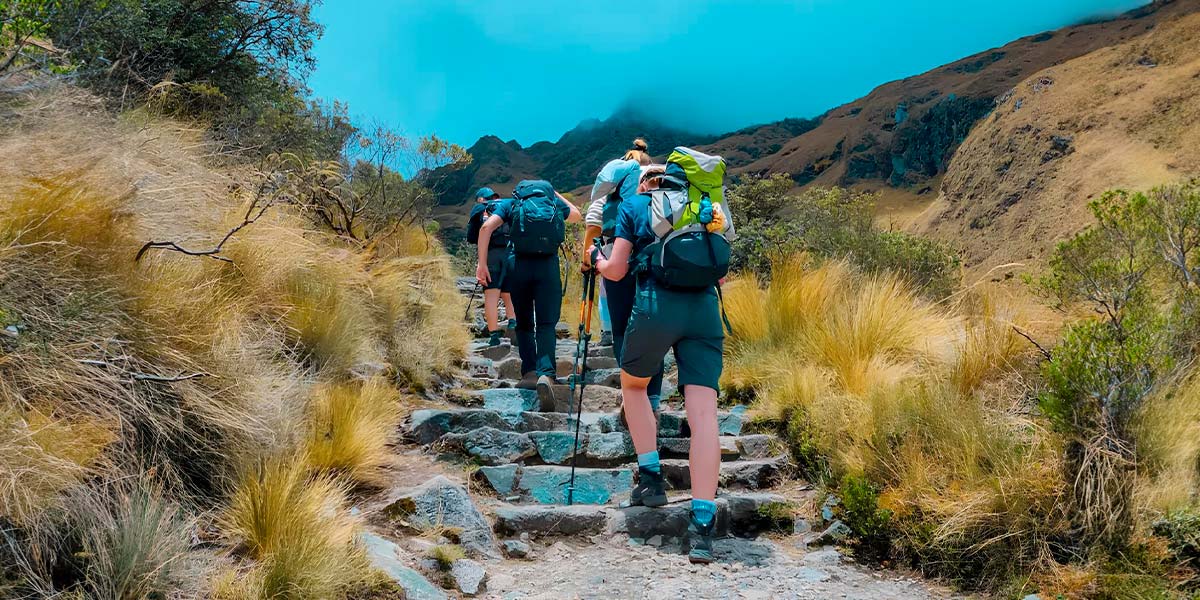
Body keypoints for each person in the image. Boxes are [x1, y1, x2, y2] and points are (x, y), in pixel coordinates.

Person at [593, 155, 732, 564]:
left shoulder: (636, 205)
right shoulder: (709, 208)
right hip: (704, 312)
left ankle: (651, 478)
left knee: (634, 386)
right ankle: (702, 526)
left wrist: (598, 260)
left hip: (655, 307)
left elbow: (616, 271)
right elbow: (720, 273)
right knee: (704, 416)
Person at [476, 181, 582, 409]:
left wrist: (482, 264)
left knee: (524, 323)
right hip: (548, 266)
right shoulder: (552, 202)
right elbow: (576, 215)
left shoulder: (511, 204)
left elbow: (485, 228)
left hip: (518, 265)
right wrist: (556, 194)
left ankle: (530, 373)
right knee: (546, 324)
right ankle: (547, 374)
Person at [583, 143, 665, 411]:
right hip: (656, 260)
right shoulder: (660, 181)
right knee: (653, 329)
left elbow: (593, 225)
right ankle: (653, 397)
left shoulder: (614, 187)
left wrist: (590, 259)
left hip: (615, 256)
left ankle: (630, 392)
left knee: (621, 328)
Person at [467, 187, 515, 346]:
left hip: (491, 256)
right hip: (510, 254)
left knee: (491, 296)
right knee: (509, 293)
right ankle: (513, 323)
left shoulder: (479, 209)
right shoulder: (507, 206)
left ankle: (494, 336)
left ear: (481, 198)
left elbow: (472, 237)